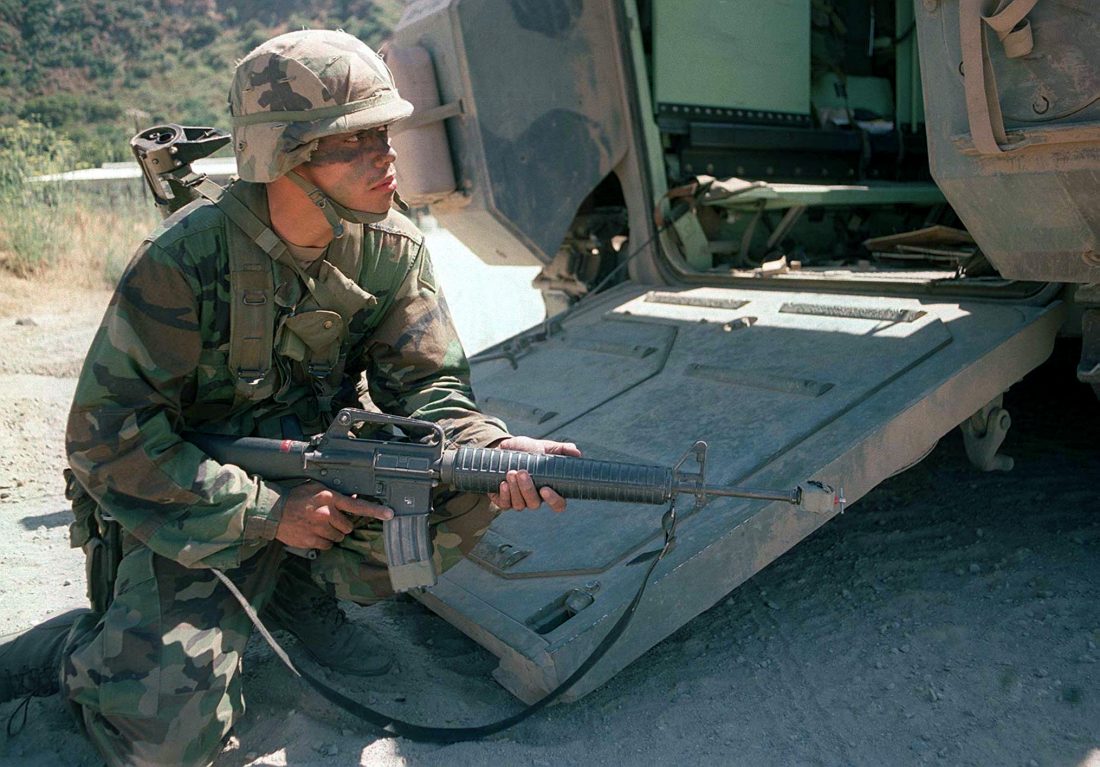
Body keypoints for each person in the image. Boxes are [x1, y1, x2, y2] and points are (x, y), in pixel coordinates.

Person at [0, 29, 578, 766]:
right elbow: (105, 436)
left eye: (385, 134)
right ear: (283, 157)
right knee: (166, 740)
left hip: (315, 479)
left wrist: (493, 450)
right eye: (354, 141)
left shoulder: (390, 249)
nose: (387, 157)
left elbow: (428, 386)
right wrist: (269, 517)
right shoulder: (184, 260)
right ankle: (78, 652)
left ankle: (296, 595)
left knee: (459, 482)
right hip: (196, 504)